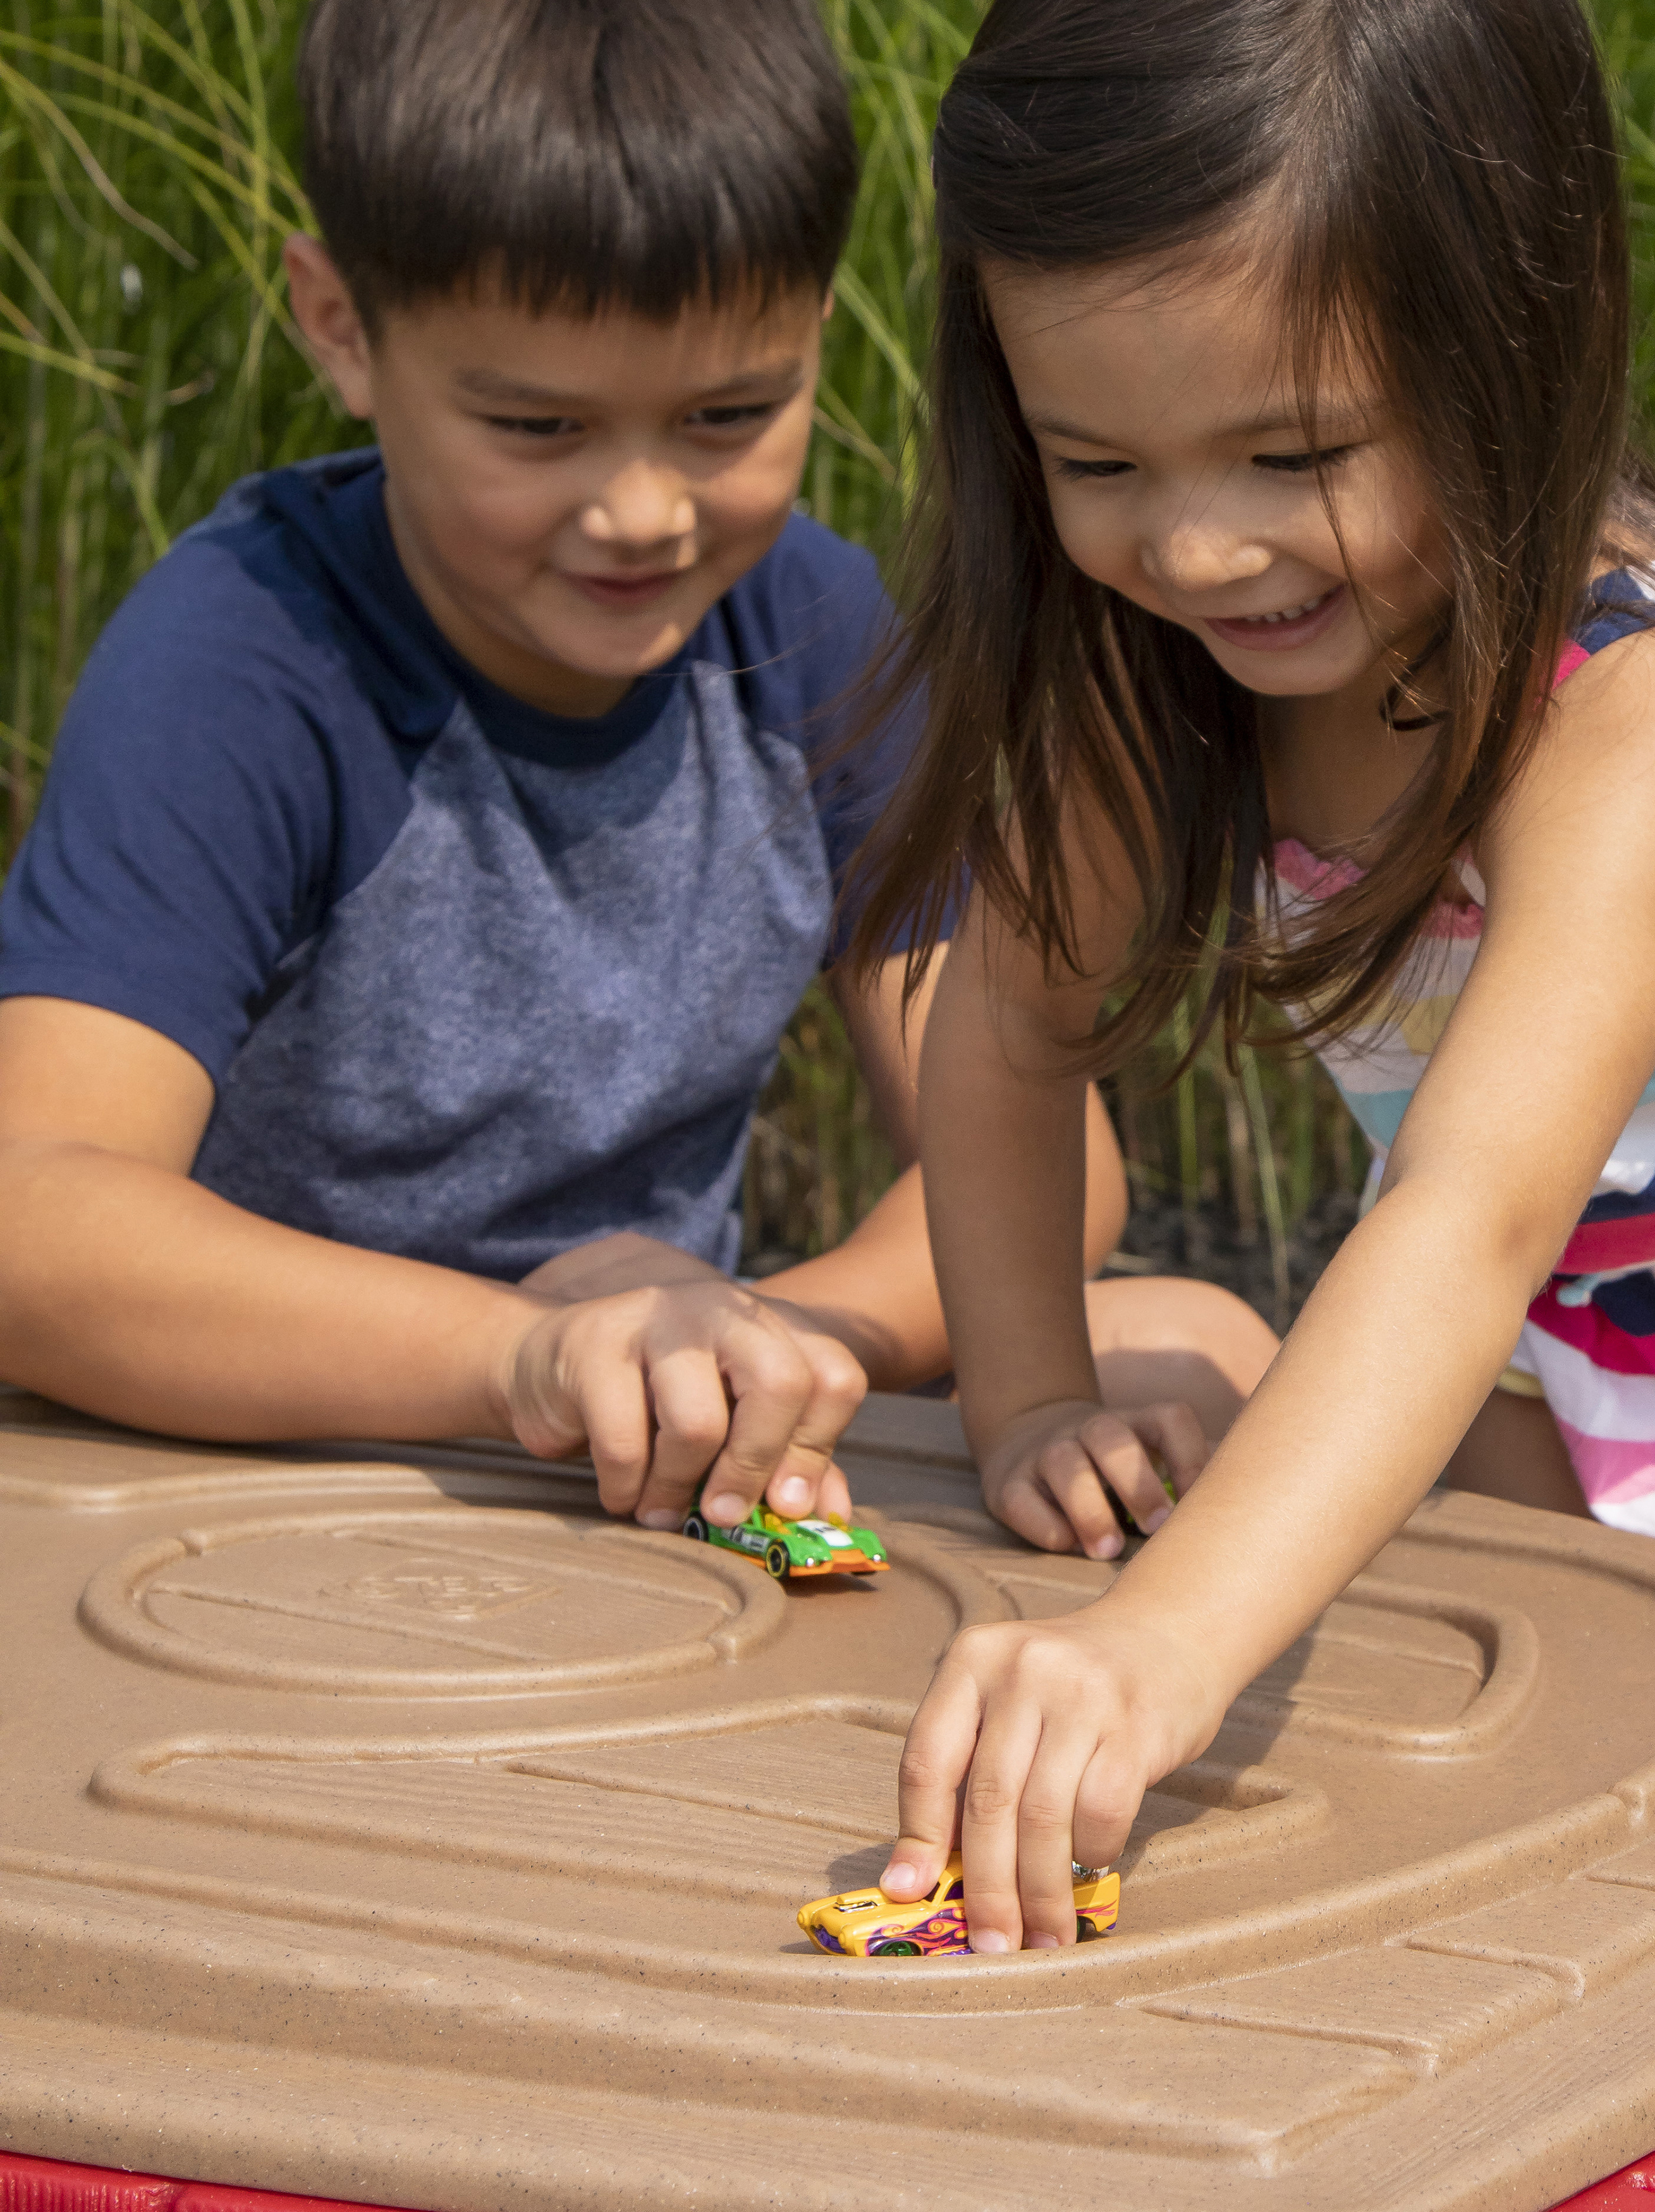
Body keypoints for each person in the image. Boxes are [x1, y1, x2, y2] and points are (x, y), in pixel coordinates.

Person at [845, 0, 1655, 1951]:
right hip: (1559, 1267)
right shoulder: (1159, 669)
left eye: (1291, 453)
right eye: (1092, 460)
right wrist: (1027, 1400)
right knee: (1541, 1763)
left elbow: (1465, 1210)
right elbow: (1009, 1030)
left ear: (1511, 346)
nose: (1198, 548)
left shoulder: (1644, 709)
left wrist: (1159, 1638)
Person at [0, 0, 1276, 1535]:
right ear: (342, 327)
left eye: (728, 415)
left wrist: (741, 1352)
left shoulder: (808, 631)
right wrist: (528, 1354)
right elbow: (38, 1223)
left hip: (668, 1407)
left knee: (1201, 1340)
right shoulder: (247, 659)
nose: (644, 514)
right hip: (307, 1433)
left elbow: (1052, 1162)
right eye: (537, 425)